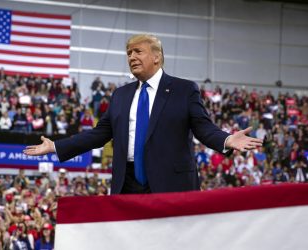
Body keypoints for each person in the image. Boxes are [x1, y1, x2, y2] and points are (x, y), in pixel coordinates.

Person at [24, 34, 263, 194]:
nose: (131, 57)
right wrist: (57, 147)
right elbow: (99, 134)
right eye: (128, 53)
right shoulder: (120, 95)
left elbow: (203, 127)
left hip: (171, 183)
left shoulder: (184, 89)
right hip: (126, 183)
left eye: (138, 51)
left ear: (157, 57)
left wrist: (227, 139)